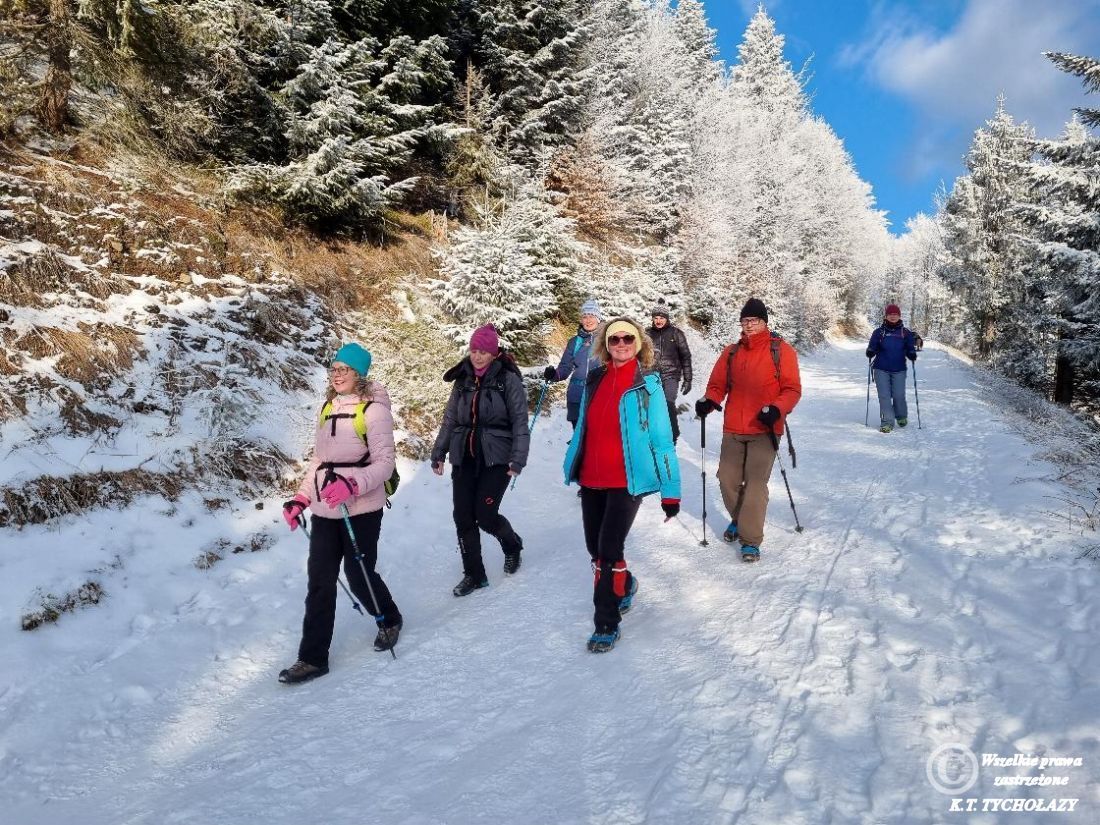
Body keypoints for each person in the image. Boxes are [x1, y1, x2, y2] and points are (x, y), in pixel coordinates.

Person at [279, 343, 403, 684]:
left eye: (344, 369)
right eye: (333, 368)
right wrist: (301, 498)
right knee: (320, 582)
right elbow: (320, 462)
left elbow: (385, 464)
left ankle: (389, 618)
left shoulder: (374, 411)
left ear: (358, 373)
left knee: (358, 574)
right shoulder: (327, 407)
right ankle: (312, 658)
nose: (337, 374)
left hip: (362, 508)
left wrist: (353, 485)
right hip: (325, 509)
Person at [563, 317, 680, 652]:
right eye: (615, 339)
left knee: (608, 550)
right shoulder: (595, 379)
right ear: (606, 345)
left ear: (639, 343)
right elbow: (583, 427)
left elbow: (662, 441)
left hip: (627, 482)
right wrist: (572, 461)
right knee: (594, 547)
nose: (622, 344)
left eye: (628, 338)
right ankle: (625, 583)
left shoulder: (649, 385)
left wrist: (670, 492)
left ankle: (606, 622)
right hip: (591, 478)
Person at [695, 298, 801, 563]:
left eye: (755, 320)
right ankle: (740, 519)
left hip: (765, 428)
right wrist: (709, 400)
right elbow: (717, 385)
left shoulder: (781, 351)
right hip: (734, 426)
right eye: (745, 321)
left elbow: (792, 389)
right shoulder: (731, 352)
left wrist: (776, 408)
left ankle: (750, 540)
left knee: (755, 484)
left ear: (764, 322)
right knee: (726, 479)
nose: (749, 325)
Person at [432, 324, 529, 597]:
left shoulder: (507, 379)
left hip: (497, 458)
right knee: (462, 516)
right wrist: (439, 452)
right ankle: (474, 575)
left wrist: (518, 459)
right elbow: (450, 418)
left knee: (485, 517)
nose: (477, 356)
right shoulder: (463, 379)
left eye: (483, 352)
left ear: (494, 353)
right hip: (464, 455)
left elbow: (520, 421)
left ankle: (512, 545)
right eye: (474, 350)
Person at [543, 298, 604, 430]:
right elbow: (565, 368)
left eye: (591, 316)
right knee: (578, 436)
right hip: (576, 397)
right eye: (585, 316)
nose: (588, 320)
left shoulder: (607, 340)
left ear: (598, 318)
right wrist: (553, 375)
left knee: (596, 435)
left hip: (599, 396)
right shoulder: (575, 342)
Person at [645, 300, 693, 444]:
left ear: (667, 318)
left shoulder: (676, 333)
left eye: (661, 318)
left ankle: (673, 435)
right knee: (652, 405)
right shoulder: (647, 334)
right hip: (652, 375)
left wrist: (688, 379)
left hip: (671, 375)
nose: (658, 321)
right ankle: (653, 435)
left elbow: (685, 356)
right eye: (656, 318)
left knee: (668, 402)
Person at [866, 303, 918, 433]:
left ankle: (900, 415)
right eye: (890, 314)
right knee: (884, 396)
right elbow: (873, 345)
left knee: (898, 395)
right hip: (880, 368)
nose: (893, 316)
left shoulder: (905, 333)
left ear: (899, 316)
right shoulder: (879, 332)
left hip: (899, 369)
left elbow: (910, 347)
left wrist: (911, 353)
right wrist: (871, 351)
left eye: (895, 314)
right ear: (886, 316)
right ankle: (887, 422)